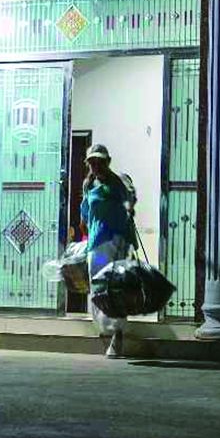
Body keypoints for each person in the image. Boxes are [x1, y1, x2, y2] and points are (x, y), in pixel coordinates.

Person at [80, 143, 137, 357]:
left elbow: (130, 201)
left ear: (108, 162)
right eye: (92, 162)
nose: (96, 165)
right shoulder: (89, 184)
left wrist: (129, 208)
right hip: (96, 244)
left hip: (117, 240)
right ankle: (107, 327)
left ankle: (117, 334)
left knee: (116, 286)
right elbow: (85, 212)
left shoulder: (118, 182)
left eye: (100, 161)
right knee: (98, 286)